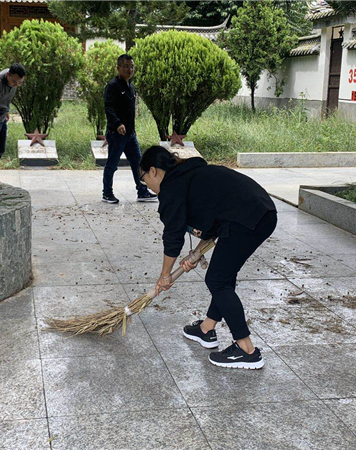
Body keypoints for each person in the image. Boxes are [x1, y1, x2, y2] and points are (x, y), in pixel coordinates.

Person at [139, 146, 277, 369]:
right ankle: (206, 329)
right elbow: (214, 218)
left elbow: (173, 236)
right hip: (262, 211)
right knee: (224, 275)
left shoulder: (171, 188)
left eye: (144, 178)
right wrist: (196, 253)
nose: (147, 185)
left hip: (248, 219)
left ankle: (247, 350)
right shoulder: (188, 174)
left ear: (153, 171)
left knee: (217, 280)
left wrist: (164, 275)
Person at [102, 54, 157, 204]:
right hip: (116, 133)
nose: (130, 70)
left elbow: (130, 112)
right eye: (126, 66)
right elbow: (109, 108)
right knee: (112, 165)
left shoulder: (131, 86)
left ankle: (142, 191)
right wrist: (118, 124)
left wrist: (132, 129)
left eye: (132, 67)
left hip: (130, 134)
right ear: (118, 68)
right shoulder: (112, 86)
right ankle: (107, 193)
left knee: (138, 163)